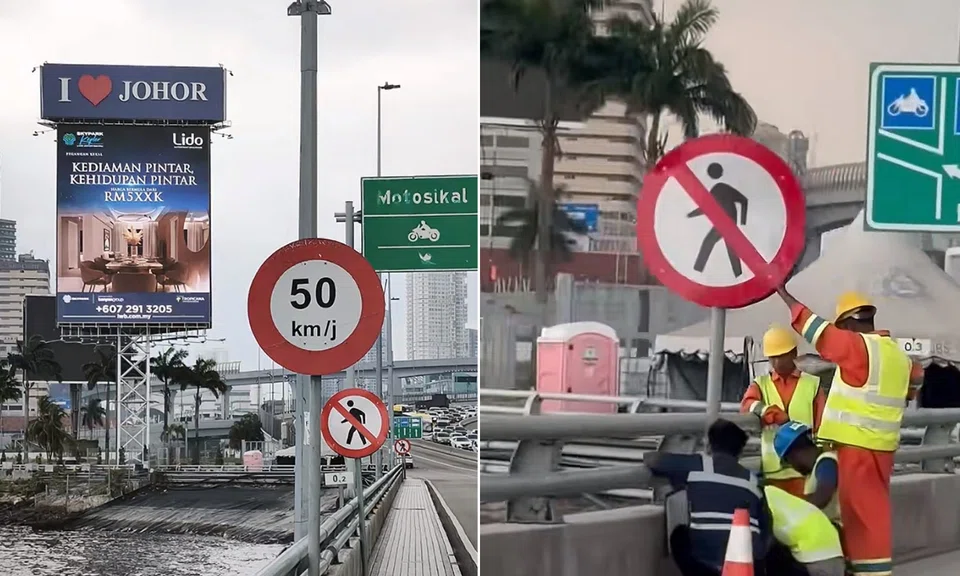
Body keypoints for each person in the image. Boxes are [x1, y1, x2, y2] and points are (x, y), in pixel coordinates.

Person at [775, 287, 923, 576]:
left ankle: (868, 572)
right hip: (883, 450)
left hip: (856, 448)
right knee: (873, 514)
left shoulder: (858, 348)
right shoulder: (900, 357)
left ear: (847, 324)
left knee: (860, 520)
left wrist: (783, 293)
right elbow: (914, 384)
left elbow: (816, 329)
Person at [645, 418, 772, 575]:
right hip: (748, 565)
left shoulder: (698, 465)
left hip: (708, 566)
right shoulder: (752, 480)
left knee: (679, 535)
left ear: (709, 446)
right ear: (740, 451)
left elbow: (653, 460)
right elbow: (766, 529)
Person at [741, 326, 827, 497]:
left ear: (794, 353)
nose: (776, 362)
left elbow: (823, 427)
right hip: (773, 472)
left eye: (781, 356)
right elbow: (746, 405)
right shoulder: (760, 384)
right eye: (772, 358)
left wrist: (821, 463)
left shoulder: (812, 385)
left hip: (804, 471)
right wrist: (769, 411)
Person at [763, 485, 846, 576]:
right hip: (830, 547)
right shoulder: (769, 493)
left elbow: (763, 545)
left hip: (815, 555)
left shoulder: (762, 500)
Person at [773, 422, 840, 527]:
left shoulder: (826, 462)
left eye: (790, 463)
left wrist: (793, 510)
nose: (794, 467)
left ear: (794, 455)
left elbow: (823, 496)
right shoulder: (815, 470)